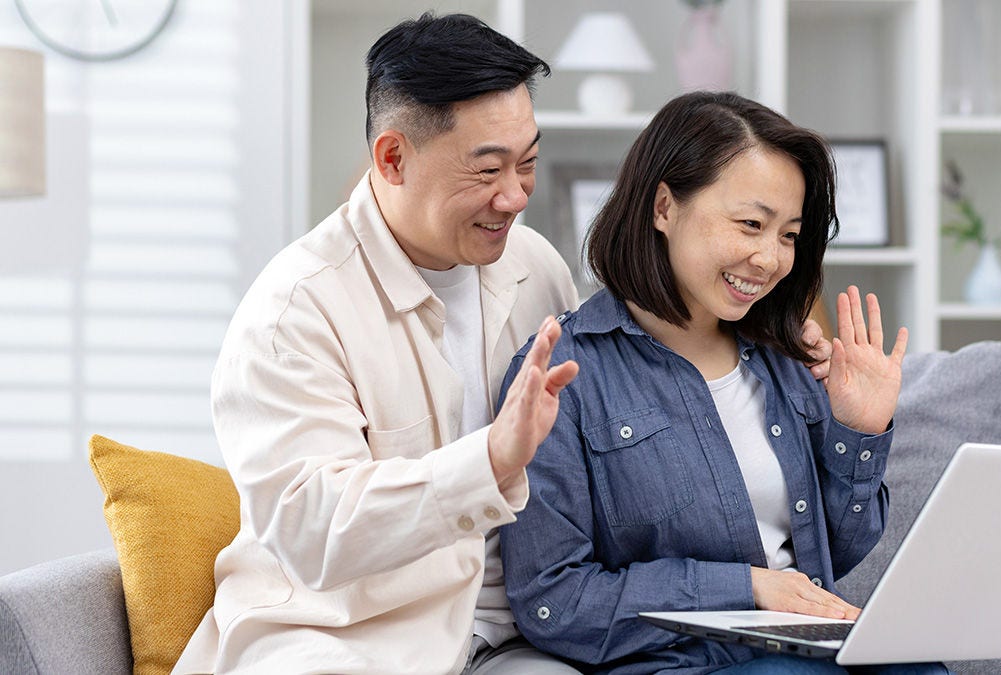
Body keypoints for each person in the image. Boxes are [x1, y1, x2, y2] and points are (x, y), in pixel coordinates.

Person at [173, 12, 834, 675]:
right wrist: (487, 460)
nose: (516, 195)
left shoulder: (534, 268)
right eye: (487, 170)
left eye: (528, 162)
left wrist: (778, 346)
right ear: (393, 158)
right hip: (339, 636)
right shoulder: (295, 311)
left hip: (509, 640)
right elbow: (310, 533)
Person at [499, 91, 943, 674]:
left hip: (809, 650)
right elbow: (553, 601)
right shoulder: (568, 375)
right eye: (751, 225)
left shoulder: (787, 358)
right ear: (664, 207)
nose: (770, 259)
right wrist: (744, 587)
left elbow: (835, 555)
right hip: (685, 664)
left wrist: (857, 428)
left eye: (788, 235)